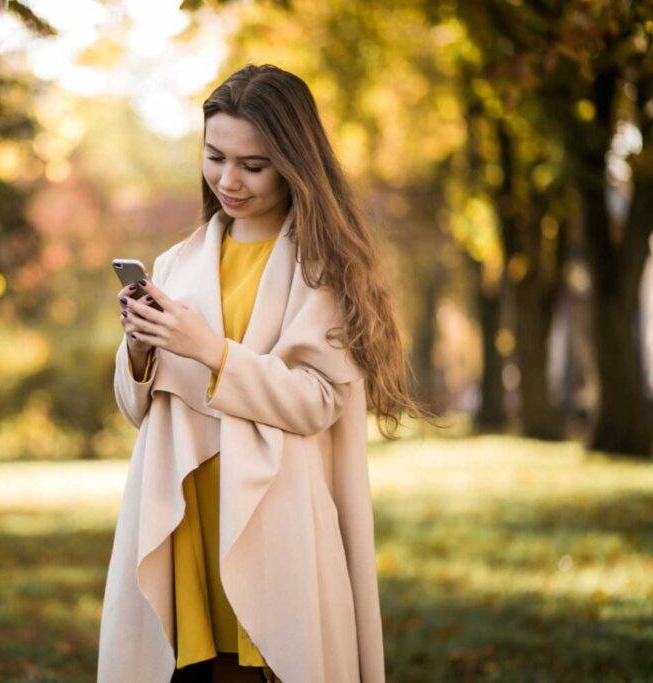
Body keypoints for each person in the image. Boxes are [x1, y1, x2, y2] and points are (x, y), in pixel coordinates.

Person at [101, 64, 436, 683]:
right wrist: (142, 351)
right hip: (184, 510)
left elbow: (315, 403)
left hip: (271, 510)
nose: (229, 180)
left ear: (293, 161)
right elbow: (137, 408)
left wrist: (213, 351)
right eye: (215, 157)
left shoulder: (321, 268)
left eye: (253, 165)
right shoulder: (177, 263)